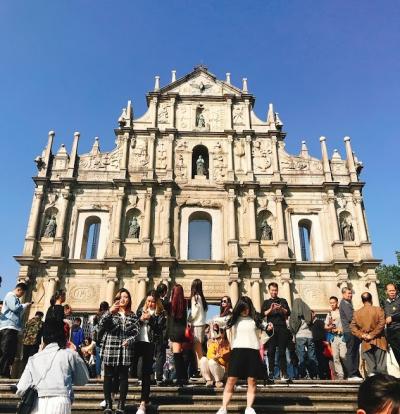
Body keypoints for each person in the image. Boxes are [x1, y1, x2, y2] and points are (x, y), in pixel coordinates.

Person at [16, 319, 89, 414]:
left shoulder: (33, 359)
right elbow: (82, 380)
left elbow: (21, 388)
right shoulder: (69, 354)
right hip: (61, 401)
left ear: (44, 338)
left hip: (37, 402)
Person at [216, 296, 269, 414]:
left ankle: (249, 407)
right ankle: (224, 407)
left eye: (247, 308)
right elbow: (218, 321)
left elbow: (267, 329)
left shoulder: (256, 319)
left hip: (253, 350)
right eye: (242, 308)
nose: (245, 311)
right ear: (238, 308)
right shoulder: (233, 319)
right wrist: (226, 312)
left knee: (252, 380)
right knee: (231, 379)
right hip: (238, 351)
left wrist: (269, 327)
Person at [97, 288, 139, 414]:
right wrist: (109, 311)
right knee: (108, 376)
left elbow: (136, 332)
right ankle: (109, 404)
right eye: (121, 297)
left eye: (126, 297)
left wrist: (130, 340)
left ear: (129, 300)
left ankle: (121, 405)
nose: (123, 299)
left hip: (124, 348)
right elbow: (101, 324)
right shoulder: (111, 313)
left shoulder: (132, 315)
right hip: (110, 346)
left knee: (123, 377)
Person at [134, 291, 166, 414]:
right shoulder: (139, 311)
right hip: (138, 344)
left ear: (156, 302)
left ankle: (143, 402)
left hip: (150, 344)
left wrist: (151, 319)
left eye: (153, 301)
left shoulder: (160, 314)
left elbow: (159, 329)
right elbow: (133, 326)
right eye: (148, 301)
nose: (150, 303)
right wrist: (141, 319)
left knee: (145, 373)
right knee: (137, 372)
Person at [351, 292, 387, 376]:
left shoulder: (357, 313)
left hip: (366, 342)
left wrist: (362, 335)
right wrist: (372, 335)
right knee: (381, 368)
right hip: (379, 341)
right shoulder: (378, 310)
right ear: (371, 299)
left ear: (362, 301)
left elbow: (352, 327)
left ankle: (373, 387)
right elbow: (382, 323)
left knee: (371, 370)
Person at [0, 282, 32, 378]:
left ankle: (5, 371)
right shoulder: (10, 296)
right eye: (22, 293)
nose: (22, 295)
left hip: (13, 327)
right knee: (5, 350)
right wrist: (25, 305)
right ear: (19, 289)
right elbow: (15, 308)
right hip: (8, 327)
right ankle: (1, 372)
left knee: (11, 352)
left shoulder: (15, 298)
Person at [261, 282, 291, 381]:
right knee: (271, 351)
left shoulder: (283, 301)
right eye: (272, 290)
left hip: (282, 328)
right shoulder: (266, 302)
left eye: (275, 290)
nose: (274, 292)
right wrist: (271, 308)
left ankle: (284, 373)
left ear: (277, 290)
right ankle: (271, 372)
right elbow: (263, 314)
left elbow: (288, 312)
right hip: (271, 329)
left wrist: (281, 308)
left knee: (282, 351)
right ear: (269, 291)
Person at [289, 298, 318, 379]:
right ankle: (314, 374)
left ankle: (303, 374)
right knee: (312, 355)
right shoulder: (308, 313)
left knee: (301, 356)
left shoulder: (294, 315)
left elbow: (292, 328)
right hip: (309, 336)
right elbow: (311, 323)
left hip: (300, 336)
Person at [165, 284, 188, 386]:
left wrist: (167, 296)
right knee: (179, 355)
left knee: (177, 356)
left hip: (174, 331)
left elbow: (161, 303)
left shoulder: (170, 305)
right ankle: (183, 377)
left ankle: (180, 378)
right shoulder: (184, 303)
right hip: (181, 331)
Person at [340, 287, 362, 380]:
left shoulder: (347, 303)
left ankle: (355, 372)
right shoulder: (345, 304)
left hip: (352, 331)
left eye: (351, 293)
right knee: (351, 352)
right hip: (350, 331)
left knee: (354, 351)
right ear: (343, 294)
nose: (350, 295)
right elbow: (350, 318)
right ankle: (351, 374)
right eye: (348, 293)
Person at [325, 296, 347, 379]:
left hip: (342, 336)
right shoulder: (329, 314)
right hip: (334, 337)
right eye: (330, 303)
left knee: (343, 355)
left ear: (337, 302)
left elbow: (347, 324)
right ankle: (340, 374)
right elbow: (325, 326)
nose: (332, 304)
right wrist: (330, 327)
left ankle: (348, 371)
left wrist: (341, 329)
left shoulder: (342, 312)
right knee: (335, 357)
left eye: (333, 302)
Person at [189, 278, 208, 361]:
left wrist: (189, 320)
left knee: (197, 346)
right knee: (199, 346)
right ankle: (201, 364)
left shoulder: (195, 298)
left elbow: (194, 312)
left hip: (196, 324)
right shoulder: (201, 298)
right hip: (202, 323)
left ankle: (201, 365)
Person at [383, 283, 400, 366]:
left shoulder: (399, 300)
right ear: (386, 292)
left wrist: (392, 318)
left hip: (398, 329)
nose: (392, 292)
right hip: (390, 332)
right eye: (390, 291)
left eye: (393, 290)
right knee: (396, 354)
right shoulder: (385, 302)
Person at [92, 301, 109, 378]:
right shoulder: (108, 314)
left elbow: (94, 327)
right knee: (107, 357)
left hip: (98, 339)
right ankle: (106, 375)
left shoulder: (96, 316)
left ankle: (98, 375)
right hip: (106, 339)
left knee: (98, 358)